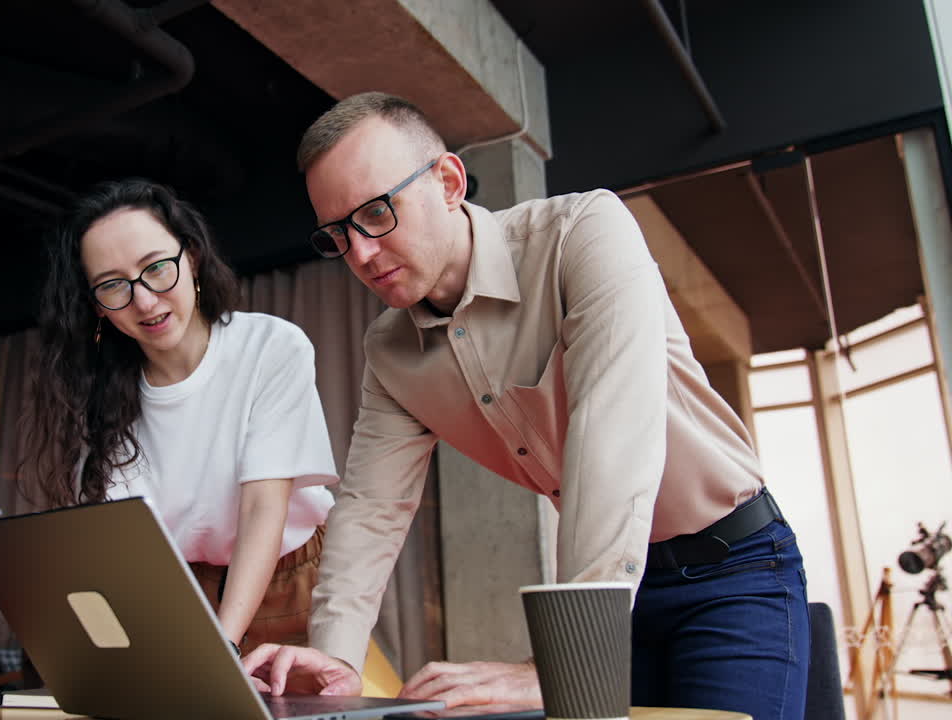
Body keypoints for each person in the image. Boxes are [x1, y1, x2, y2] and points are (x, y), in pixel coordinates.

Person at [242, 92, 810, 720]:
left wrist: (564, 663)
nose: (362, 254)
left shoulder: (583, 234)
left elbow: (612, 440)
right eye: (337, 235)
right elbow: (371, 510)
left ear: (449, 181)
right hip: (612, 594)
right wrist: (339, 662)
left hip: (732, 570)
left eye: (377, 214)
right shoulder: (390, 349)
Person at [24, 178, 339, 654]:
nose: (144, 301)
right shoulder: (98, 399)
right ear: (97, 306)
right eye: (113, 285)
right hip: (180, 588)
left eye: (155, 268)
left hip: (288, 575)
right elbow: (124, 548)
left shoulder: (271, 347)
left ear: (191, 257)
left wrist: (223, 646)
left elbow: (262, 509)